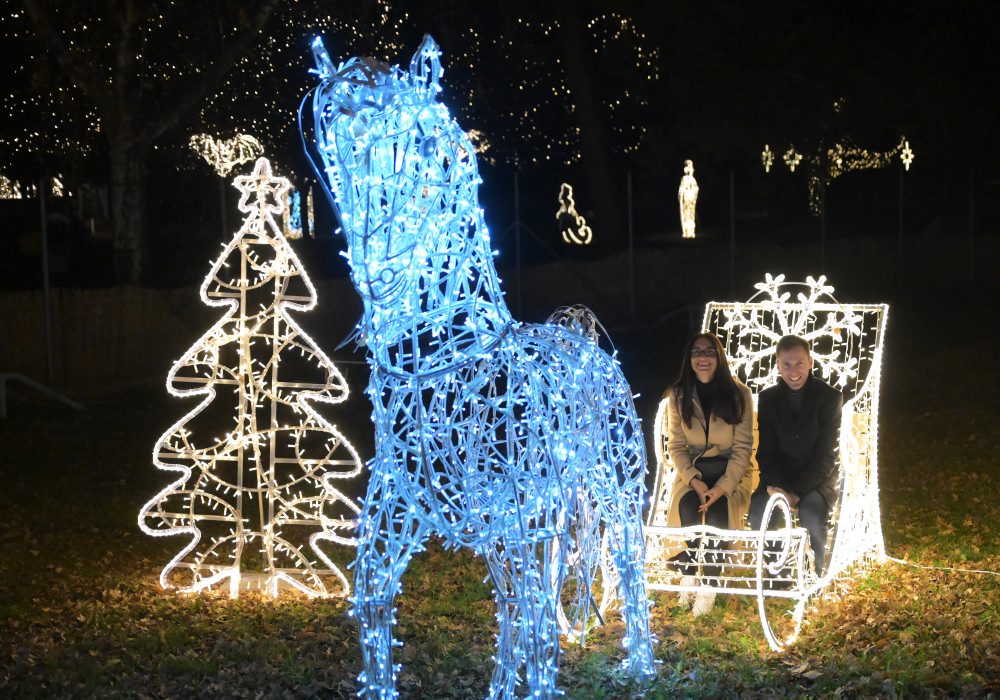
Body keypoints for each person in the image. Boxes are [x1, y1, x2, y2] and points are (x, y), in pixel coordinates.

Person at [662, 332, 755, 616]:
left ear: (719, 357)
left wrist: (722, 486)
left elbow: (742, 449)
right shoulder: (678, 396)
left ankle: (710, 583)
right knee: (689, 502)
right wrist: (692, 479)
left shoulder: (740, 395)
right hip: (694, 472)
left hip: (732, 471)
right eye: (696, 352)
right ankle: (690, 570)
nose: (703, 358)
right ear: (689, 359)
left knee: (718, 509)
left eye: (709, 352)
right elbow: (676, 445)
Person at [748, 335, 843, 577]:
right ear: (778, 365)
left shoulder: (829, 398)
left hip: (817, 482)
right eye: (786, 364)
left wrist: (796, 493)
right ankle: (778, 574)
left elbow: (826, 456)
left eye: (799, 363)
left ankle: (814, 575)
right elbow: (766, 450)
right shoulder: (768, 399)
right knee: (759, 512)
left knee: (811, 513)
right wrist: (779, 489)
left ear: (810, 362)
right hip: (778, 480)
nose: (793, 371)